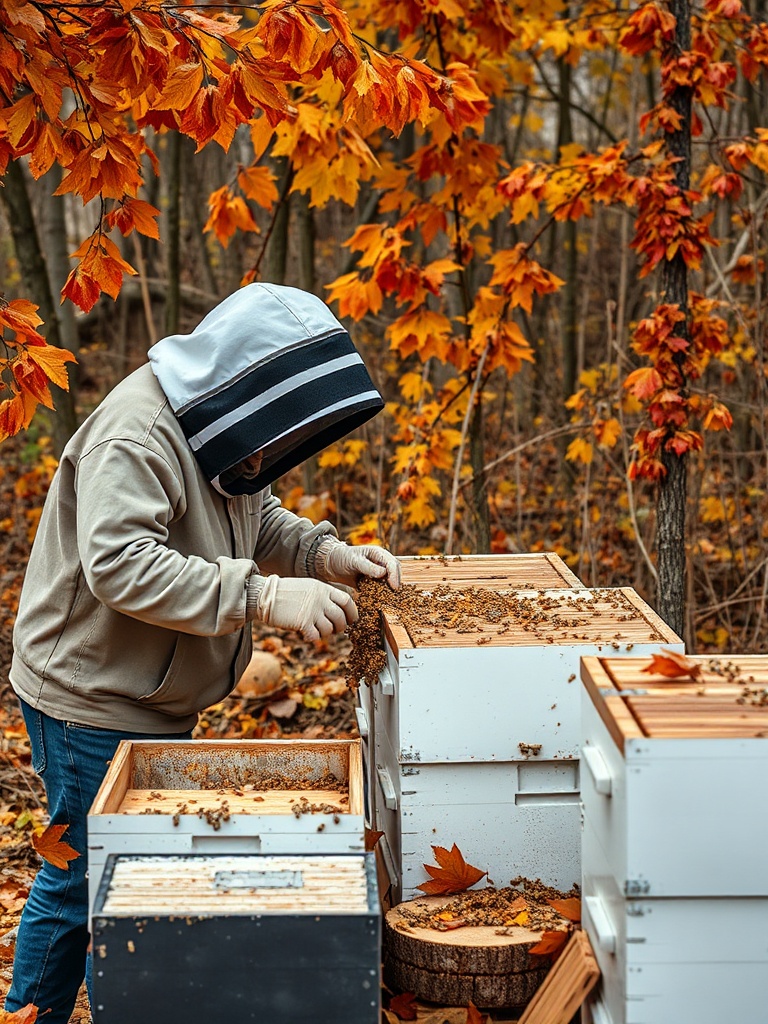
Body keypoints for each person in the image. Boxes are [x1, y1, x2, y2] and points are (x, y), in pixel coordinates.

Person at [4, 282, 400, 1022]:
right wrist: (263, 598)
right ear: (248, 385)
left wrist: (323, 555)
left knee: (131, 873)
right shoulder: (139, 434)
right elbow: (119, 564)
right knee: (82, 879)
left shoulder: (218, 428)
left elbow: (252, 511)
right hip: (91, 693)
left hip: (152, 689)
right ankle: (33, 1014)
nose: (277, 449)